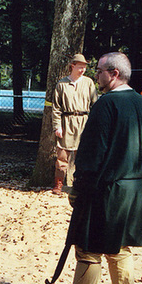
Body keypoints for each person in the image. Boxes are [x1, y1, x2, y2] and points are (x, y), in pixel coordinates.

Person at [41, 52, 142, 284]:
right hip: (136, 188)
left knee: (89, 248)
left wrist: (79, 188)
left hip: (107, 188)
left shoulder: (107, 105)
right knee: (119, 247)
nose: (97, 76)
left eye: (101, 71)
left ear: (114, 73)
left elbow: (92, 153)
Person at [50, 53, 98, 195]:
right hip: (67, 122)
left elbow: (95, 105)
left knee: (83, 156)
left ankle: (79, 183)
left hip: (83, 122)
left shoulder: (88, 83)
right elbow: (56, 108)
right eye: (80, 67)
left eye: (84, 67)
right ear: (73, 66)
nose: (83, 69)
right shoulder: (62, 84)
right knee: (62, 156)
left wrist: (94, 126)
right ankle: (58, 184)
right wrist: (57, 126)